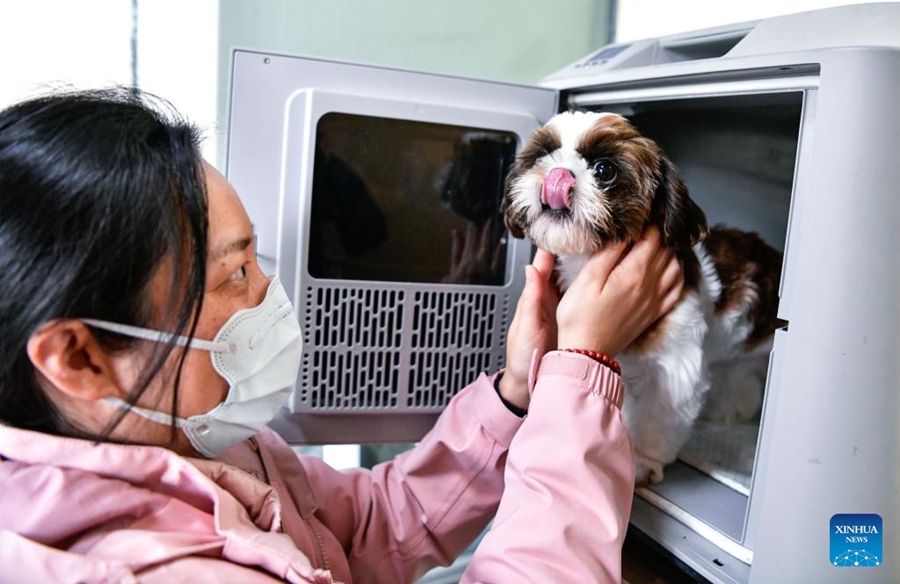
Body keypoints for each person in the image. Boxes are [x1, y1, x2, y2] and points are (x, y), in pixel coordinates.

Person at [0, 89, 683, 584]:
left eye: (253, 261)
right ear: (80, 357)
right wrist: (582, 370)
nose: (270, 297)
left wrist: (517, 392)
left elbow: (372, 527)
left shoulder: (200, 440)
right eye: (234, 275)